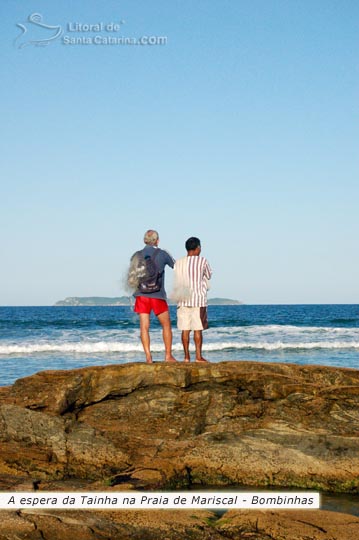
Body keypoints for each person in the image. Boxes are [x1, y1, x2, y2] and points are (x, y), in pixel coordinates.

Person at [128, 229, 177, 364]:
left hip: (141, 295)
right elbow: (177, 266)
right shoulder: (163, 254)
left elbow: (131, 276)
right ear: (157, 240)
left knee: (144, 327)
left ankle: (148, 357)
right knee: (166, 325)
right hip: (158, 295)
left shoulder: (136, 255)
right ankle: (168, 356)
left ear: (144, 241)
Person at [173, 237, 212, 363]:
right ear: (197, 248)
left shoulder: (178, 263)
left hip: (182, 299)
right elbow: (209, 275)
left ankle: (186, 357)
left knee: (185, 329)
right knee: (197, 329)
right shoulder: (202, 261)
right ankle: (198, 357)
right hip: (198, 299)